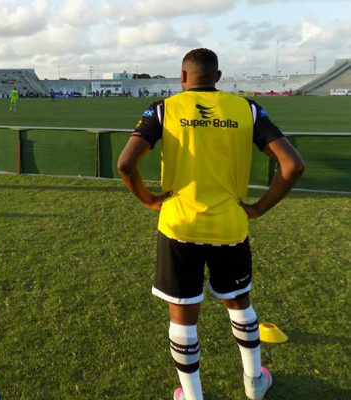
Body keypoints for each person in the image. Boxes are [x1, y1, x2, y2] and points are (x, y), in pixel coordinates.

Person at [117, 48, 305, 400]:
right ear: (218, 78)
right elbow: (292, 166)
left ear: (183, 77)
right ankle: (254, 383)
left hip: (179, 226)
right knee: (239, 303)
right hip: (230, 226)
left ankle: (192, 395)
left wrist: (149, 200)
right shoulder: (246, 108)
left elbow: (126, 164)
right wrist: (260, 207)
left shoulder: (164, 108)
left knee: (183, 315)